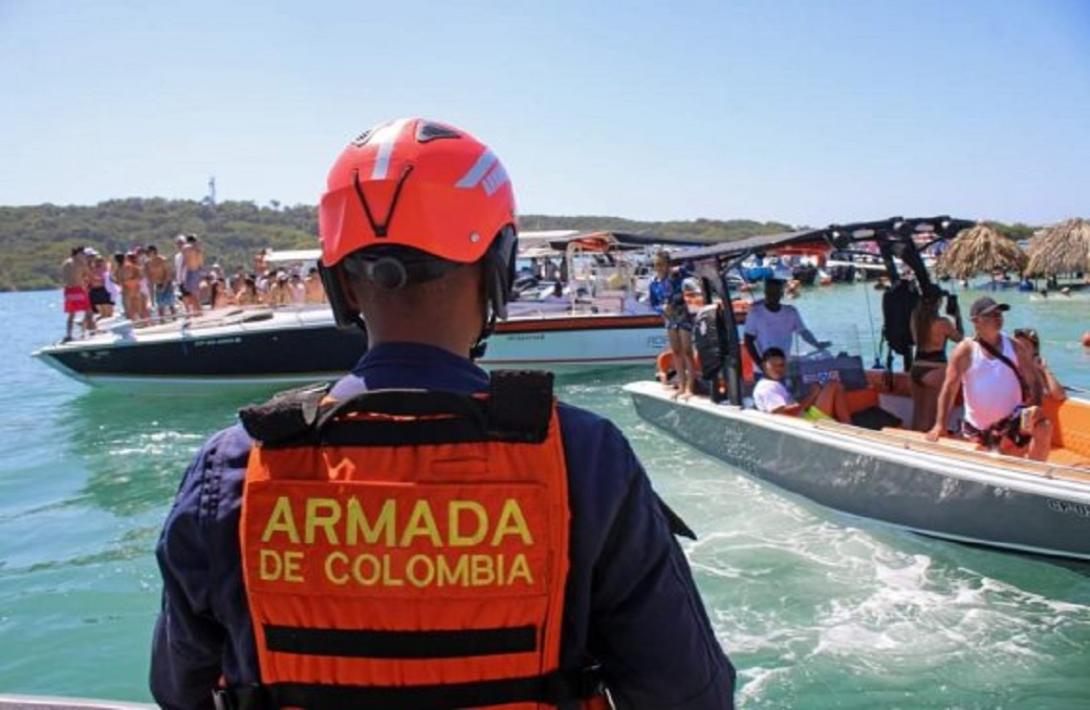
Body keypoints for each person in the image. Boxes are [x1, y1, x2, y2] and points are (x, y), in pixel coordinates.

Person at [150, 118, 734, 710]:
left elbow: (179, 690)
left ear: (341, 284)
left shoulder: (232, 467)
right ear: (499, 269)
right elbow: (689, 694)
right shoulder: (584, 457)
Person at [927, 297, 1051, 461]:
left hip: (1012, 420)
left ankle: (1036, 475)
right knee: (994, 460)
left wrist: (1036, 409)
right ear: (975, 321)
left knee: (1044, 427)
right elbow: (949, 389)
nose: (998, 318)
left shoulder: (1014, 347)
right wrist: (940, 425)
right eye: (992, 315)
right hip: (978, 428)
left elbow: (1034, 381)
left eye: (999, 314)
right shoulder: (965, 351)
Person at [744, 277, 830, 373]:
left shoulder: (791, 312)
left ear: (781, 294)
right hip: (762, 370)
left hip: (783, 368)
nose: (773, 296)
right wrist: (760, 364)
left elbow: (803, 332)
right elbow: (748, 341)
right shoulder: (755, 314)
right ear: (765, 293)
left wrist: (816, 344)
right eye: (770, 292)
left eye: (776, 293)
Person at [908, 286, 963, 431]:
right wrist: (957, 315)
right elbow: (960, 339)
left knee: (917, 415)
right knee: (929, 418)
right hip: (935, 368)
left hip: (916, 368)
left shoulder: (915, 317)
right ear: (938, 302)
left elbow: (914, 340)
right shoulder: (942, 323)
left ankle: (911, 447)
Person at [753, 347, 851, 423]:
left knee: (836, 386)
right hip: (801, 425)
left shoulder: (770, 383)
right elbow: (782, 416)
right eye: (773, 365)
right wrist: (812, 395)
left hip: (801, 418)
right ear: (763, 366)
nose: (778, 369)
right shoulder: (768, 388)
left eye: (781, 365)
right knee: (833, 384)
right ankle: (848, 427)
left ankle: (847, 426)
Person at [649, 251, 697, 398]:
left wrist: (678, 263)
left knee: (687, 350)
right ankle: (681, 385)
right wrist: (661, 309)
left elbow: (691, 266)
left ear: (668, 264)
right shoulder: (654, 283)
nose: (659, 268)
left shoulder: (677, 276)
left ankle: (690, 386)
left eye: (662, 264)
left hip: (683, 315)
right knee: (676, 351)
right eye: (656, 265)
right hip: (669, 317)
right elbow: (654, 303)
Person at [1013, 328, 1066, 406]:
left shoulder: (1039, 370)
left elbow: (1060, 396)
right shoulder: (1009, 368)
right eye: (1017, 347)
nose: (1020, 351)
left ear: (1034, 350)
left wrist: (1045, 369)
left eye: (1025, 347)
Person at [60, 246, 94, 341]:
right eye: (82, 254)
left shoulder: (65, 263)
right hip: (78, 290)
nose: (84, 256)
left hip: (68, 291)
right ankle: (86, 333)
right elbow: (89, 275)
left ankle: (69, 335)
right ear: (78, 253)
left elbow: (65, 277)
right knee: (88, 311)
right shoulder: (80, 263)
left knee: (72, 314)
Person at [145, 244, 178, 321]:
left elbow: (168, 274)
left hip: (167, 283)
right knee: (160, 305)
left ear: (153, 251)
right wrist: (151, 295)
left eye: (149, 252)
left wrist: (164, 286)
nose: (148, 254)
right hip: (157, 284)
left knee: (171, 303)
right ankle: (162, 321)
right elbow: (149, 278)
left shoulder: (162, 260)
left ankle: (174, 319)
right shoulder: (148, 263)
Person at [87, 251, 115, 320]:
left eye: (100, 260)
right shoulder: (92, 268)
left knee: (108, 309)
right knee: (102, 309)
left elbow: (110, 268)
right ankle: (102, 318)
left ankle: (107, 318)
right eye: (97, 261)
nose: (98, 262)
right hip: (95, 290)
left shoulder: (106, 267)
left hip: (104, 289)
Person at [181, 235, 205, 315]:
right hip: (194, 271)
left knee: (194, 294)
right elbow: (201, 263)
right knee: (193, 294)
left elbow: (200, 262)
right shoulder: (197, 249)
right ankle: (198, 312)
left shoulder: (192, 249)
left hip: (193, 271)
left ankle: (199, 312)